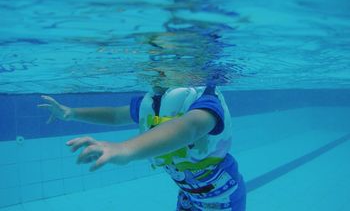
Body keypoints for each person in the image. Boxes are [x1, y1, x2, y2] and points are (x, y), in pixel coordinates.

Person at [39, 85, 246, 210]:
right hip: (188, 195)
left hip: (222, 199)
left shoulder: (206, 100)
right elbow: (115, 115)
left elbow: (189, 127)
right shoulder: (155, 100)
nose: (157, 72)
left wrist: (124, 149)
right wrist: (72, 113)